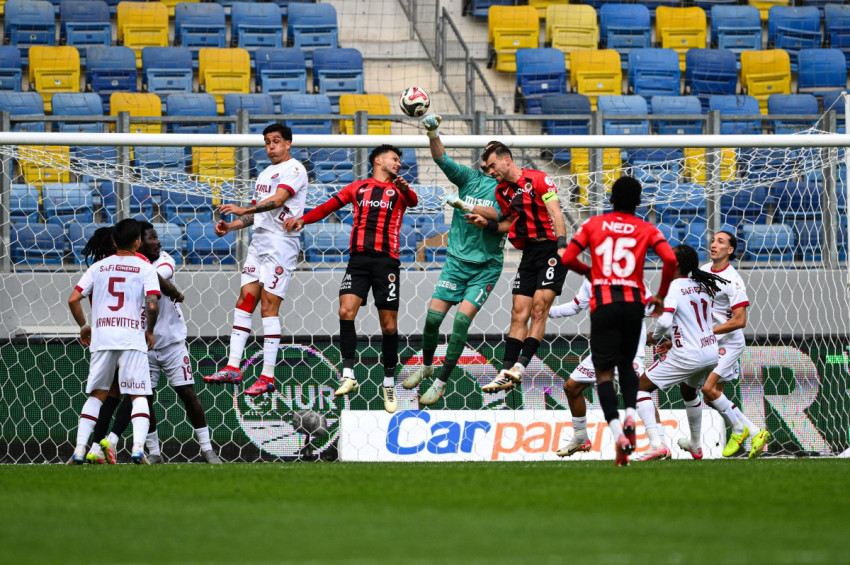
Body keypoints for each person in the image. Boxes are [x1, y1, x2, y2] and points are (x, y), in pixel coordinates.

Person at [283, 145, 418, 413]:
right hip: (357, 261)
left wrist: (404, 188)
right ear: (378, 160)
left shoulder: (400, 191)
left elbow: (413, 201)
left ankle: (388, 382)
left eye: (400, 161)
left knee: (389, 327)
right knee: (345, 311)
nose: (398, 164)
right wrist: (303, 220)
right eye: (394, 159)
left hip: (386, 262)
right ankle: (348, 374)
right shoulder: (357, 188)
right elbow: (327, 207)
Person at [560, 176, 677, 466]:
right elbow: (671, 260)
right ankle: (628, 417)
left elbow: (567, 258)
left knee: (603, 374)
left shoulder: (593, 226)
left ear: (610, 200)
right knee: (626, 366)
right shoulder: (646, 228)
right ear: (638, 202)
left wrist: (589, 272)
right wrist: (660, 295)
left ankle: (618, 433)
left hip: (604, 303)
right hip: (633, 304)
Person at [88, 222, 222, 464]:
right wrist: (173, 291)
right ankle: (154, 452)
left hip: (171, 342)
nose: (157, 241)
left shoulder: (165, 261)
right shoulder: (131, 267)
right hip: (142, 343)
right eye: (151, 237)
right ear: (138, 241)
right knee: (143, 398)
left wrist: (136, 262)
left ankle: (207, 448)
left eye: (156, 236)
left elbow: (158, 279)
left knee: (187, 393)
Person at [401, 114, 505, 405]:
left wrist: (468, 206)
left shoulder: (508, 190)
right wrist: (433, 132)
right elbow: (441, 158)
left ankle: (442, 381)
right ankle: (426, 365)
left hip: (485, 268)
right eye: (491, 159)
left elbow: (504, 217)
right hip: (456, 263)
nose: (494, 165)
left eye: (498, 159)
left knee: (460, 323)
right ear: (485, 162)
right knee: (433, 319)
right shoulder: (469, 178)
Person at [204, 123, 309, 396]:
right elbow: (256, 215)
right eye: (266, 142)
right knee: (245, 301)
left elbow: (277, 201)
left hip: (280, 244)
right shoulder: (264, 173)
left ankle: (267, 376)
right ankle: (233, 366)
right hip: (259, 242)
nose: (270, 147)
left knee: (268, 309)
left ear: (288, 143)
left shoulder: (294, 169)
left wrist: (242, 208)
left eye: (275, 141)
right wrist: (232, 226)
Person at [465, 143, 569, 394]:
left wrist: (562, 246)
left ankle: (520, 368)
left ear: (506, 160)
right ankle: (505, 371)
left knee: (538, 309)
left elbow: (555, 212)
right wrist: (486, 224)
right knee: (517, 313)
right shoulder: (503, 191)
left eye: (492, 166)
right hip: (529, 254)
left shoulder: (539, 179)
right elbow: (507, 224)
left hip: (551, 250)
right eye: (486, 168)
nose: (490, 171)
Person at [67, 218, 160, 465]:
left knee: (97, 395)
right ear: (138, 241)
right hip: (131, 337)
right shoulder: (145, 267)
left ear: (114, 241)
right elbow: (152, 302)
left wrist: (84, 327)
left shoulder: (98, 267)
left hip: (103, 336)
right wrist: (149, 330)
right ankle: (138, 449)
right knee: (139, 394)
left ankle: (79, 450)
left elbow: (73, 299)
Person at [678, 230, 770, 459]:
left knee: (709, 390)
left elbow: (740, 321)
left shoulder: (733, 280)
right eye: (712, 240)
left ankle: (740, 430)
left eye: (721, 241)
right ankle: (756, 432)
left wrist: (706, 332)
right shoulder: (702, 272)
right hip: (707, 341)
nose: (714, 244)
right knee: (704, 393)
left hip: (728, 343)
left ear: (730, 250)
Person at [548, 279, 666, 457]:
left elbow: (653, 309)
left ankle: (659, 443)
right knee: (571, 387)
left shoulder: (631, 277)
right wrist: (546, 312)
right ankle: (581, 438)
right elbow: (575, 306)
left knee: (639, 392)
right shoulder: (591, 278)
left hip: (628, 350)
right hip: (602, 350)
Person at [633, 244, 728, 462]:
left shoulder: (673, 287)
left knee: (639, 388)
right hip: (709, 351)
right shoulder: (701, 285)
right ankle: (695, 445)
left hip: (689, 355)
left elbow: (665, 321)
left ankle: (657, 444)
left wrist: (654, 337)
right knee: (688, 391)